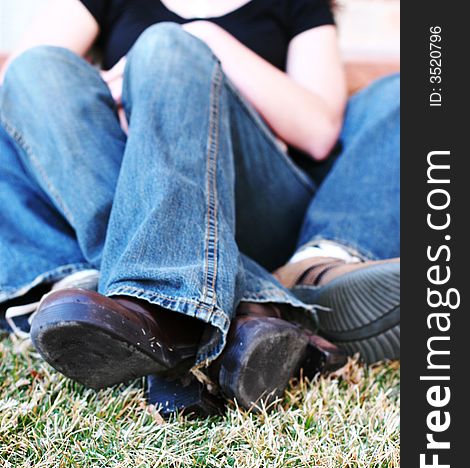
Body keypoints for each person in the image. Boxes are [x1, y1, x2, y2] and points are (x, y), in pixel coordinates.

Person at [0, 0, 399, 411]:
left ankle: (142, 293)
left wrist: (200, 40)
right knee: (36, 71)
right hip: (128, 186)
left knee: (404, 92)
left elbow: (318, 131)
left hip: (259, 203)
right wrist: (120, 100)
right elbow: (24, 84)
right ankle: (248, 301)